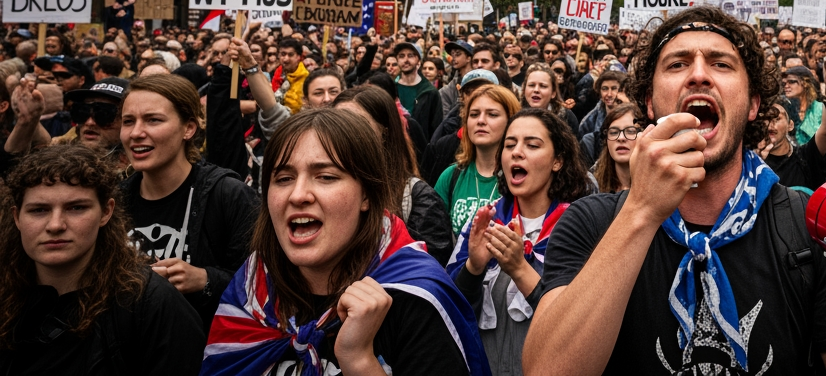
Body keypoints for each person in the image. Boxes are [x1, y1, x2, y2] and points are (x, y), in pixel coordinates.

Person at [525, 6, 826, 375]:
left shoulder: (807, 227)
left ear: (751, 104)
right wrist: (642, 210)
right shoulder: (591, 223)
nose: (698, 75)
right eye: (677, 64)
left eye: (721, 64)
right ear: (649, 101)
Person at [200, 109, 493, 376]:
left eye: (325, 177)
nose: (298, 194)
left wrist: (359, 361)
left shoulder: (415, 300)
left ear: (366, 195)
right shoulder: (250, 289)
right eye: (284, 178)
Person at [0, 145, 205, 374]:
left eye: (76, 208)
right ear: (17, 217)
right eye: (39, 210)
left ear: (106, 212)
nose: (55, 225)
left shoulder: (151, 305)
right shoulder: (6, 299)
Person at [450, 107, 593, 376]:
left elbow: (580, 327)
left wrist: (519, 268)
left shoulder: (579, 227)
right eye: (510, 144)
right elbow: (454, 313)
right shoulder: (485, 222)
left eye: (532, 144)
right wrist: (473, 268)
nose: (517, 152)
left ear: (557, 161)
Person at [118, 73, 258, 327]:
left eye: (153, 120)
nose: (136, 133)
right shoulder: (114, 200)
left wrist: (205, 280)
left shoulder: (229, 195)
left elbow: (262, 287)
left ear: (188, 128)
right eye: (128, 121)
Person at [333, 86, 454, 265]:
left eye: (357, 126)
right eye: (337, 126)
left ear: (384, 133)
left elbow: (428, 278)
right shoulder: (316, 190)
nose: (346, 135)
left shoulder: (418, 199)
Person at [435, 84, 520, 233]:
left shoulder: (522, 177)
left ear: (511, 121)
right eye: (474, 114)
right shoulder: (450, 177)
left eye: (492, 114)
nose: (480, 121)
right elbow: (434, 236)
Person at [758, 98, 826, 193]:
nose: (770, 125)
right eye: (766, 119)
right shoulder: (755, 163)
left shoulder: (806, 156)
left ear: (790, 125)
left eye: (777, 118)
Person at [591, 103, 639, 193]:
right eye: (613, 132)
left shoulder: (660, 184)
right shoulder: (592, 186)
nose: (621, 138)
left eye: (630, 131)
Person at [522, 63, 578, 134]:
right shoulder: (515, 113)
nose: (536, 90)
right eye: (531, 85)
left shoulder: (567, 118)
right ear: (524, 90)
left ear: (553, 93)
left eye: (543, 86)